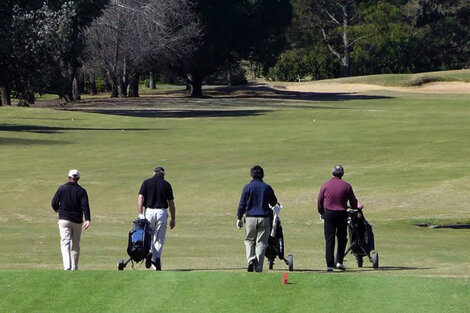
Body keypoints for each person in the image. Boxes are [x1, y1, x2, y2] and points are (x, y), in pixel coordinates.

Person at [317, 165, 359, 272]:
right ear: (342, 174)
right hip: (341, 214)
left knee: (329, 239)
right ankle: (339, 261)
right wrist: (353, 206)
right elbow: (353, 202)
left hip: (329, 214)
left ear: (332, 173)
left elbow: (320, 201)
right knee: (342, 238)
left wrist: (322, 212)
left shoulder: (325, 185)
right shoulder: (346, 186)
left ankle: (330, 265)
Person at [237, 165, 278, 272]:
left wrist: (239, 218)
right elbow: (274, 202)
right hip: (264, 218)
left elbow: (242, 204)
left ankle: (251, 259)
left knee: (249, 240)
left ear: (251, 175)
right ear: (262, 175)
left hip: (250, 218)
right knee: (261, 243)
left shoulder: (247, 187)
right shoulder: (266, 187)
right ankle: (258, 267)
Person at [51, 169, 91, 271]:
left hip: (64, 219)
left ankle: (67, 266)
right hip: (77, 220)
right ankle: (74, 267)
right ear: (78, 179)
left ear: (69, 178)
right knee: (76, 243)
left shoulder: (62, 188)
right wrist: (87, 219)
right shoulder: (82, 191)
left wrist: (58, 210)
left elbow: (54, 203)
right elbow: (85, 206)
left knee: (65, 243)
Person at [138, 166, 175, 270]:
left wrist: (140, 213)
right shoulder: (167, 184)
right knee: (159, 238)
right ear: (163, 175)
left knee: (148, 234)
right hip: (161, 212)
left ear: (154, 173)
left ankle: (149, 251)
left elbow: (140, 197)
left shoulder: (146, 182)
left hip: (149, 211)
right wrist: (173, 218)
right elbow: (171, 202)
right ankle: (156, 261)